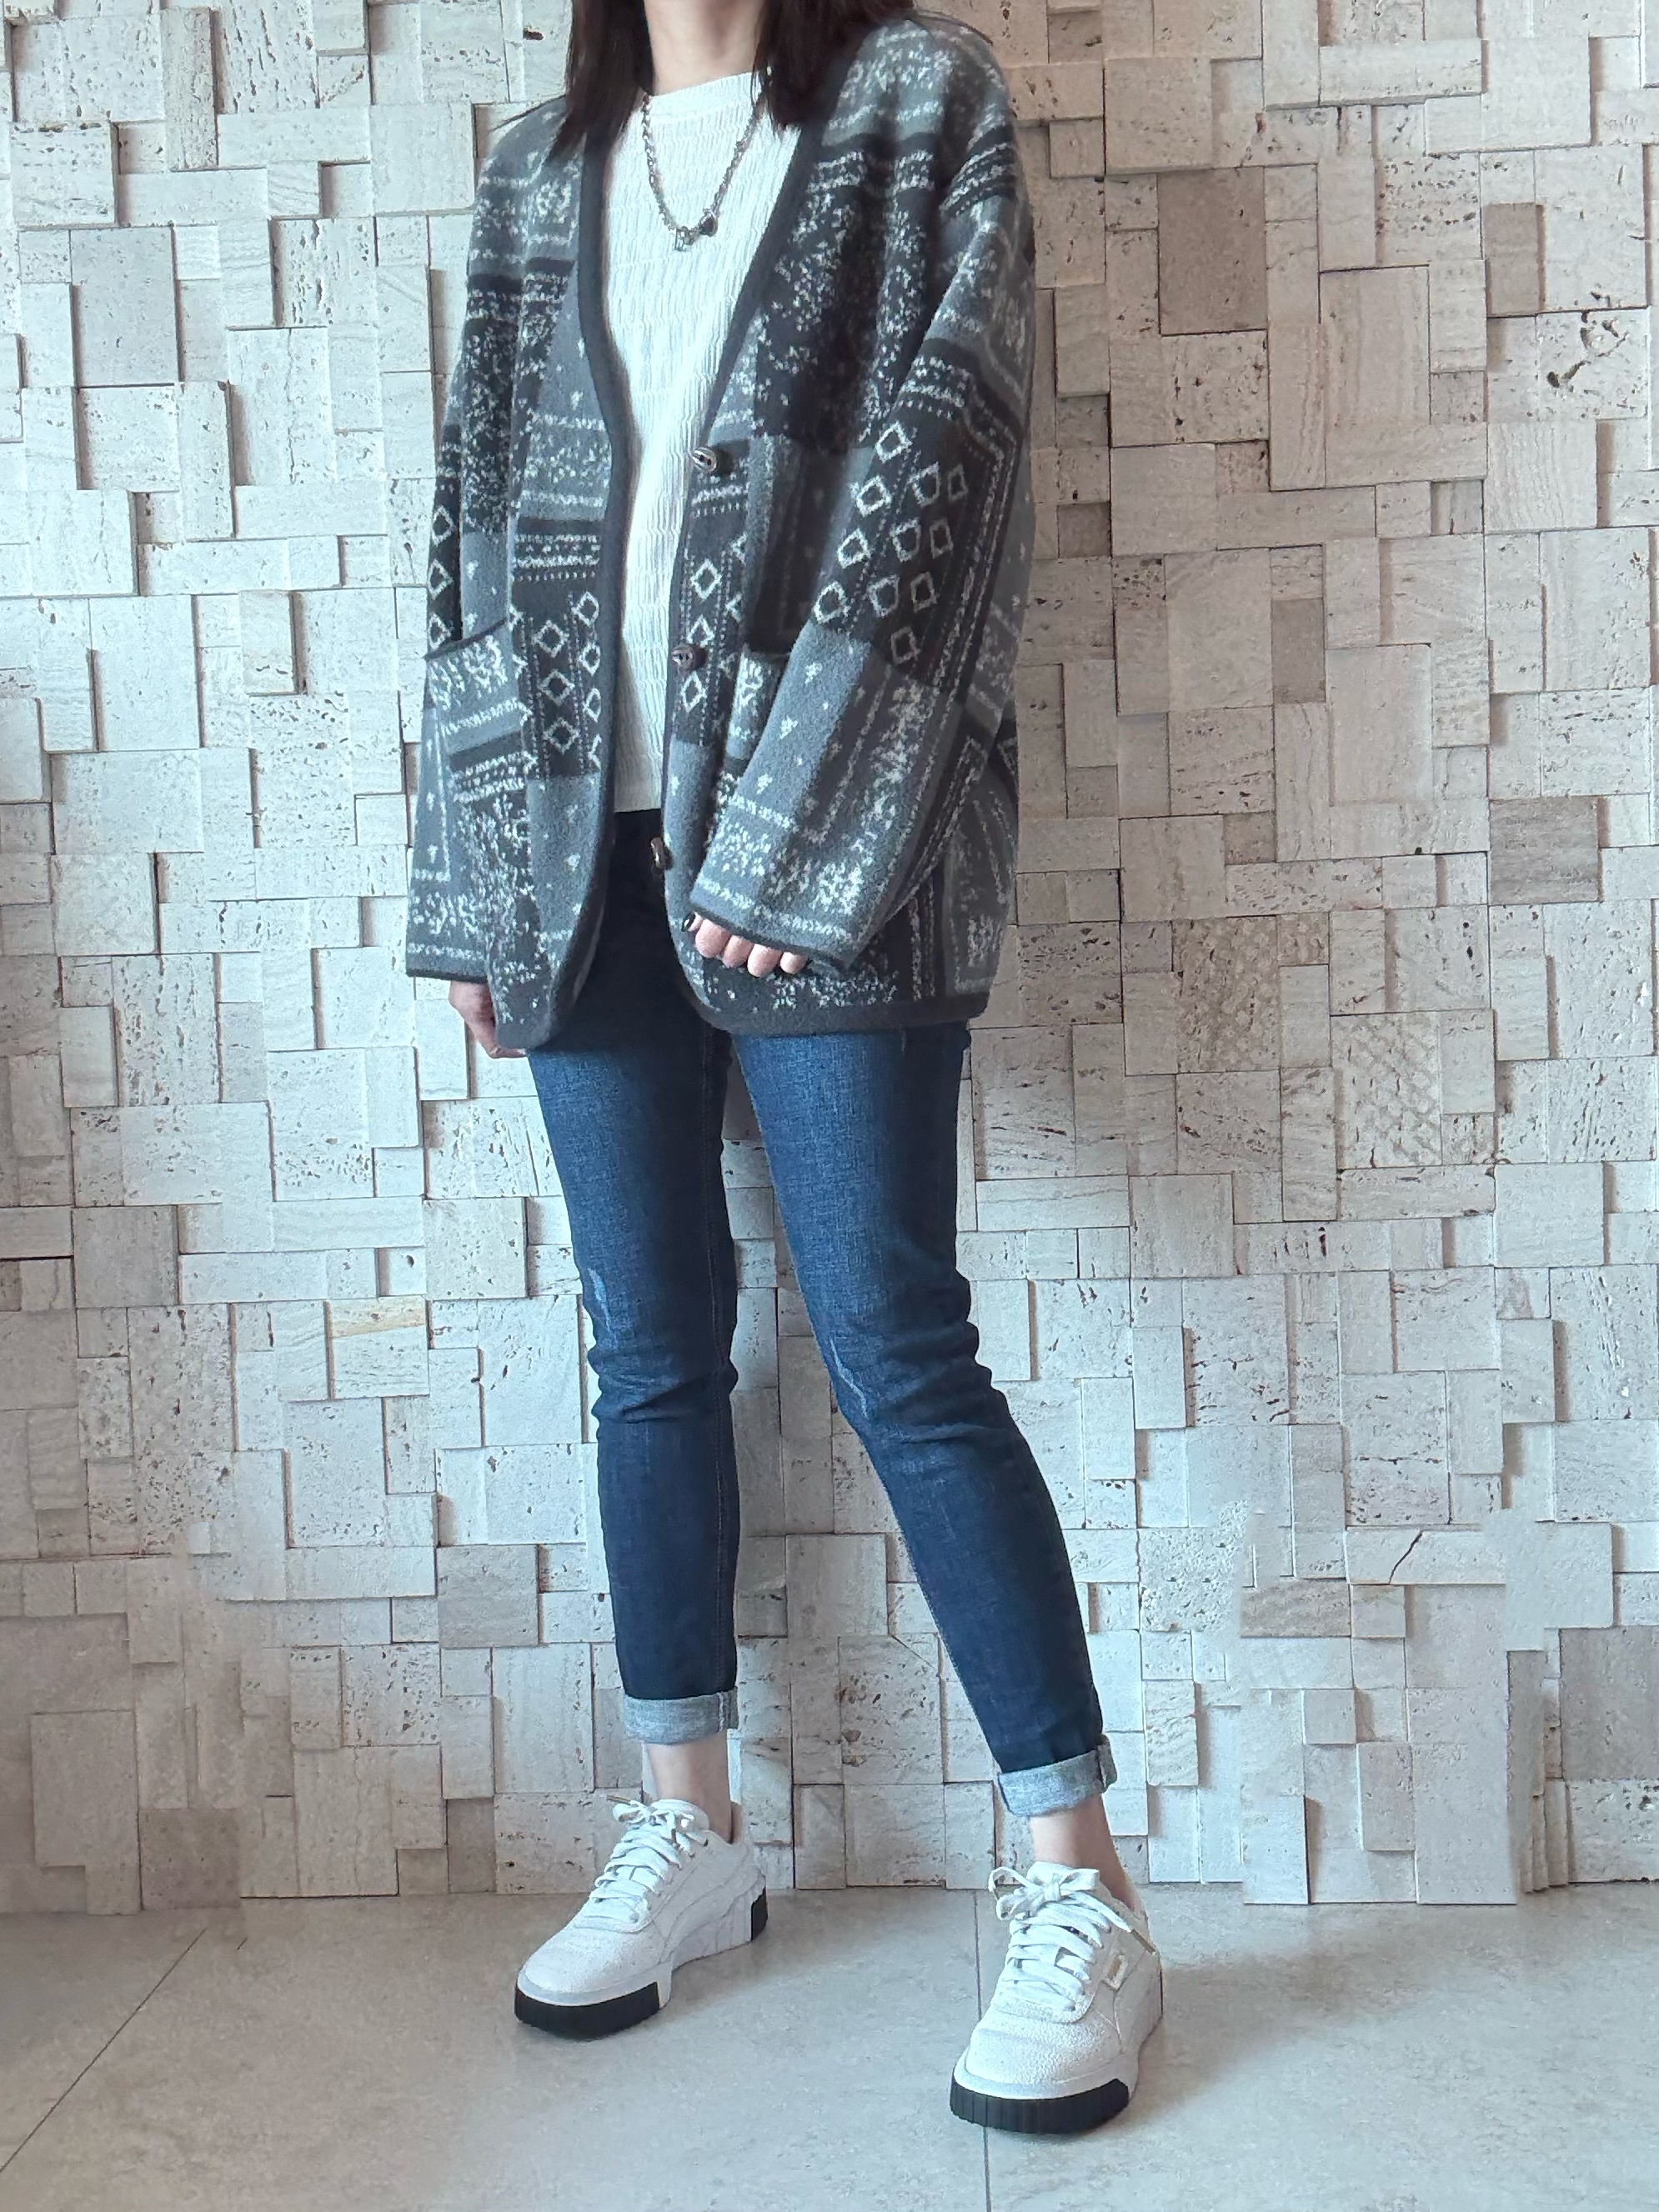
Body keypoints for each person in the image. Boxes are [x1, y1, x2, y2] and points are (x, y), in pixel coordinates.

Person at [404, 0, 1162, 2137]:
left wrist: (806, 824)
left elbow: (955, 466)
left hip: (837, 842)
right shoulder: (536, 167)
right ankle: (691, 1823)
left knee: (894, 1340)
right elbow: (469, 522)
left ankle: (1074, 1878)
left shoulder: (916, 104)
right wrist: (469, 878)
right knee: (644, 1340)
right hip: (573, 844)